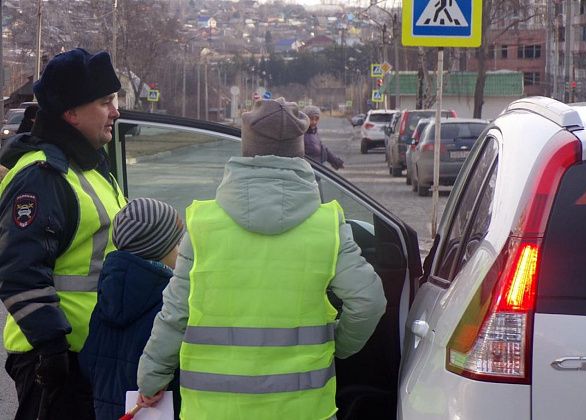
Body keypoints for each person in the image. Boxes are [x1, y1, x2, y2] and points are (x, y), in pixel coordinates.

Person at [136, 98, 386, 419]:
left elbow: (175, 315)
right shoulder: (327, 226)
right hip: (303, 410)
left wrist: (151, 379)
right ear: (299, 152)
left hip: (214, 411)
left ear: (246, 149)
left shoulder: (203, 225)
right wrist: (338, 344)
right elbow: (369, 301)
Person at [0, 48, 126, 420]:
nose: (115, 112)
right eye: (105, 102)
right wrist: (52, 348)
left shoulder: (89, 167)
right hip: (57, 362)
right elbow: (19, 271)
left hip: (89, 356)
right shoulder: (43, 175)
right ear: (71, 114)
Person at [79, 198, 184, 420]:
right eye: (176, 244)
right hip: (155, 409)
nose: (180, 251)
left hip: (109, 410)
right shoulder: (168, 301)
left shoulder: (107, 293)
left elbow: (88, 361)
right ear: (159, 248)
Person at [302, 105, 344, 170]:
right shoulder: (301, 135)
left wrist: (336, 161)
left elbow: (323, 149)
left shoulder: (313, 132)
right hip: (308, 173)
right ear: (305, 119)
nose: (314, 122)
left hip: (317, 171)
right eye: (311, 119)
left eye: (316, 119)